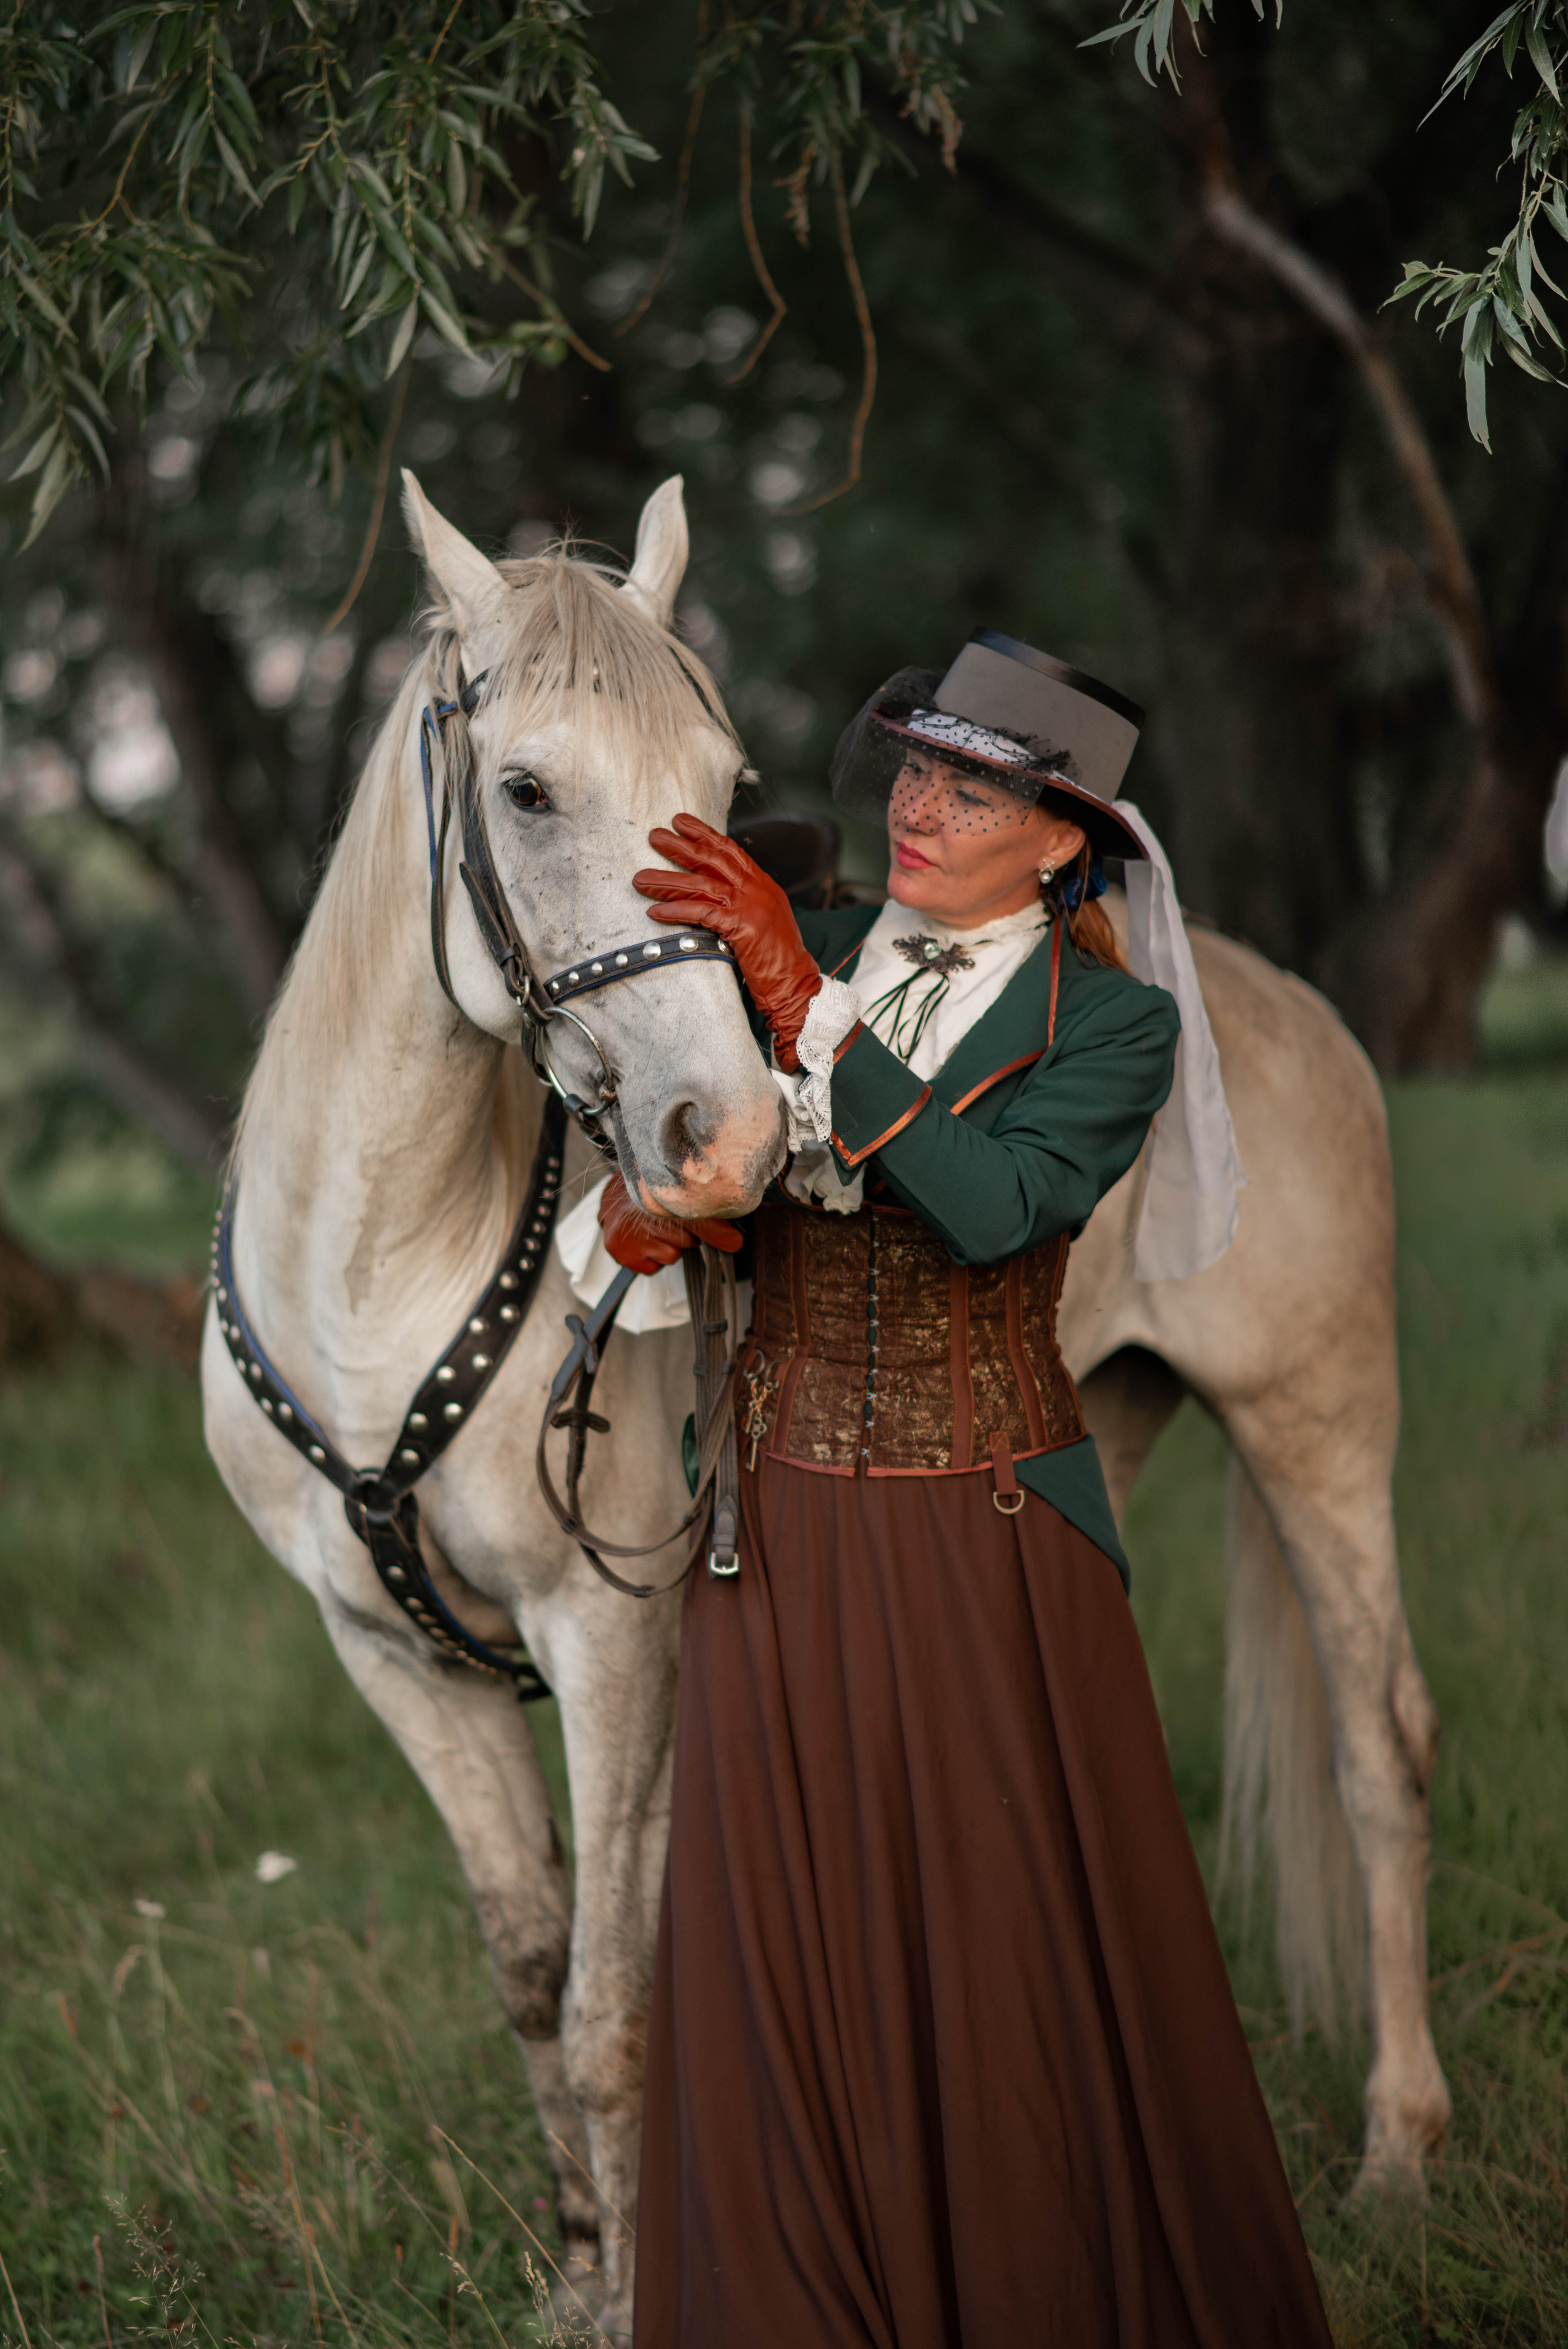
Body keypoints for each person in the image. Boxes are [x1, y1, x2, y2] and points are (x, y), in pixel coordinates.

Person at [595, 632, 1332, 2348]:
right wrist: (660, 1216)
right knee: (780, 1970)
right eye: (916, 770)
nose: (921, 806)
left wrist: (795, 997)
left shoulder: (1120, 1024)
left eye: (975, 786)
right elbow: (705, 1169)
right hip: (769, 1536)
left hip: (983, 1549)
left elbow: (994, 1204)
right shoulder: (824, 950)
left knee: (1001, 1972)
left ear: (1063, 837)